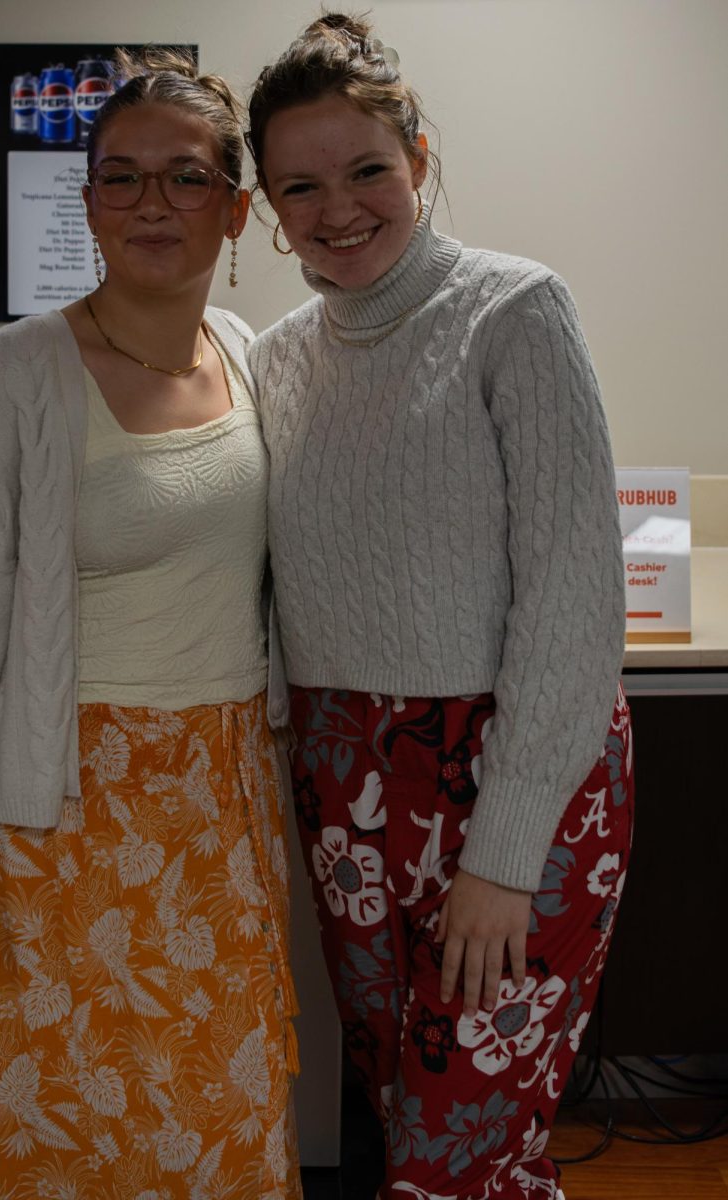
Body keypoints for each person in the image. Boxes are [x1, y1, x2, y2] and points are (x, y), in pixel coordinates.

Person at [0, 48, 302, 1200]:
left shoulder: (250, 362)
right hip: (56, 829)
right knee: (67, 1140)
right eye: (121, 177)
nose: (153, 204)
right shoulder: (12, 382)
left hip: (220, 814)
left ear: (237, 209)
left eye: (187, 178)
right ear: (88, 200)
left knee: (217, 1123)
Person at [246, 14, 633, 1199]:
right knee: (402, 1115)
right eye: (298, 186)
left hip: (514, 777)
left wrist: (503, 858)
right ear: (265, 205)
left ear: (418, 154)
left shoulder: (514, 312)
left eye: (366, 169)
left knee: (454, 1151)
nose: (337, 208)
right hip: (342, 782)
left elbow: (575, 602)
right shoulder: (274, 357)